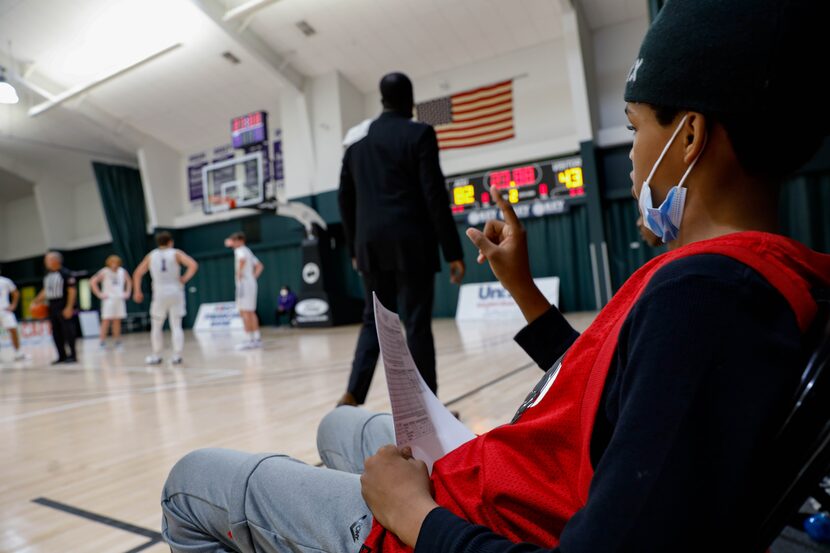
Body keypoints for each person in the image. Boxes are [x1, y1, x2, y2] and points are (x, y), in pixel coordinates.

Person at [160, 1, 830, 552]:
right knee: (341, 430)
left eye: (634, 129)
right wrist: (525, 291)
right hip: (518, 476)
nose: (630, 158)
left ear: (688, 139)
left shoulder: (709, 297)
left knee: (189, 483)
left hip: (466, 521)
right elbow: (622, 400)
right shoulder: (752, 278)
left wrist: (413, 513)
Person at [337, 71, 466, 407]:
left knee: (373, 321)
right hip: (413, 245)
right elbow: (434, 194)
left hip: (370, 248)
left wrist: (354, 248)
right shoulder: (419, 134)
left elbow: (344, 201)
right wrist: (453, 251)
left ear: (381, 100)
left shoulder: (355, 147)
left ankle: (352, 395)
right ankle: (428, 406)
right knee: (417, 324)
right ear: (409, 99)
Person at [133, 232, 198, 365]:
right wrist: (185, 278)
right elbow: (193, 265)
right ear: (170, 241)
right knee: (176, 325)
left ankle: (156, 355)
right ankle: (177, 355)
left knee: (156, 326)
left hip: (159, 293)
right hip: (175, 291)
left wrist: (137, 291)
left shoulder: (151, 255)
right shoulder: (176, 253)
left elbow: (137, 273)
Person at [31, 252, 78, 365]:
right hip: (52, 305)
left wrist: (69, 307)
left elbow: (72, 291)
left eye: (47, 260)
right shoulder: (47, 274)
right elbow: (45, 290)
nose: (45, 262)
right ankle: (61, 355)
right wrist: (36, 301)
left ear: (55, 261)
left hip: (63, 303)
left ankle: (73, 355)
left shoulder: (66, 273)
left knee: (68, 331)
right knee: (56, 332)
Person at [224, 232, 264, 350]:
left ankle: (249, 339)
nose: (234, 243)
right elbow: (260, 266)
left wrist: (239, 273)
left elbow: (242, 260)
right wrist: (253, 277)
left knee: (244, 311)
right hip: (250, 282)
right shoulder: (248, 250)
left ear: (241, 241)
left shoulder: (240, 250)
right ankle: (256, 338)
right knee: (250, 311)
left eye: (235, 241)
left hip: (244, 284)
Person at [90, 255, 131, 350]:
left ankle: (117, 341)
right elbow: (93, 281)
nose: (114, 265)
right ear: (109, 263)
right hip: (108, 299)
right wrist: (99, 294)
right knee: (106, 320)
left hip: (119, 298)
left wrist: (127, 292)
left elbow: (129, 281)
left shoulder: (122, 271)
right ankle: (102, 342)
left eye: (116, 262)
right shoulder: (104, 271)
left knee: (117, 321)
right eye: (112, 262)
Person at [0, 270, 28, 361]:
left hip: (5, 310)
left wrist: (13, 305)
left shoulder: (5, 281)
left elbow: (15, 293)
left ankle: (18, 353)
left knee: (13, 330)